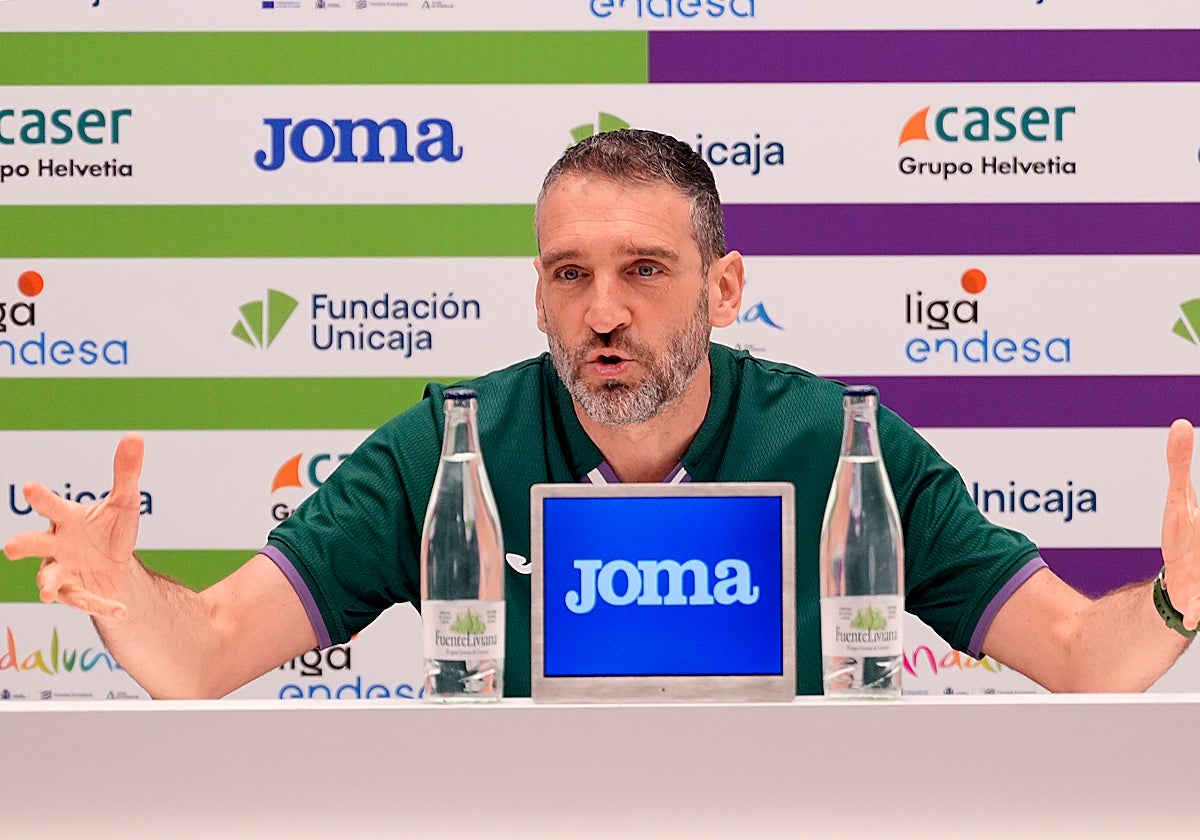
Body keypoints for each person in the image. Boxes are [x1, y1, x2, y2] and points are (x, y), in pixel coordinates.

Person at [5, 129, 1198, 699]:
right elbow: (205, 653)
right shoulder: (450, 445)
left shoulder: (848, 447)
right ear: (538, 292)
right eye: (570, 276)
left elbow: (1087, 659)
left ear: (724, 287)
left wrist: (1176, 599)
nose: (604, 313)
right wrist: (127, 602)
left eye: (645, 270)